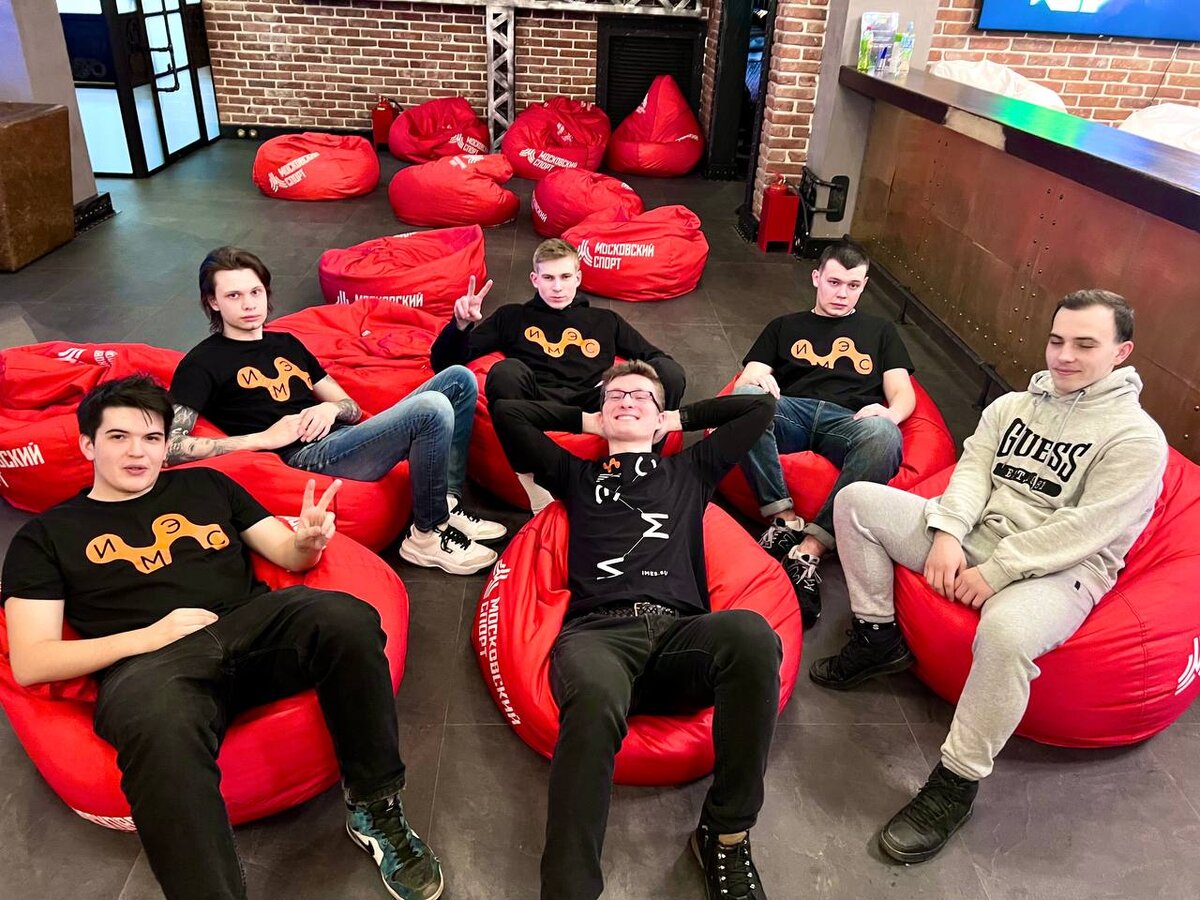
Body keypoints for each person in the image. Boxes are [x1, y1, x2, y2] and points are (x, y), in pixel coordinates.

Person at [0, 375, 444, 900]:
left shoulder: (208, 486)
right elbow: (32, 660)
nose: (138, 452)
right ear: (87, 445)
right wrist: (147, 637)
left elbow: (289, 556)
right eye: (119, 437)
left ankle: (375, 809)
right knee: (159, 725)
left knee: (347, 618)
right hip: (149, 667)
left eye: (152, 438)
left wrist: (309, 542)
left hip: (251, 626)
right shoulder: (45, 537)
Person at [809, 290, 1167, 863]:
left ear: (1121, 352)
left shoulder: (1136, 438)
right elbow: (973, 470)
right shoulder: (1014, 405)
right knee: (856, 502)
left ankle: (956, 781)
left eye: (1085, 345)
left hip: (1063, 567)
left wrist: (999, 571)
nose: (1064, 356)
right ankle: (877, 638)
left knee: (1005, 634)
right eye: (1057, 340)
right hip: (976, 534)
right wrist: (948, 533)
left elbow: (1086, 529)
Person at [492, 361, 782, 900]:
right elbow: (508, 413)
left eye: (641, 396)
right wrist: (590, 420)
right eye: (616, 395)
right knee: (595, 694)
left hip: (681, 638)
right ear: (601, 412)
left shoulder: (691, 470)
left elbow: (760, 407)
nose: (627, 400)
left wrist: (678, 418)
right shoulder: (575, 475)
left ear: (660, 415)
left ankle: (724, 835)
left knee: (754, 636)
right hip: (598, 635)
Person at [168, 246, 502, 576]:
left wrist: (329, 408)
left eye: (255, 292)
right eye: (234, 295)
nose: (249, 304)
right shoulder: (202, 363)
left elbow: (351, 408)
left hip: (341, 436)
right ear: (213, 302)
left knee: (459, 379)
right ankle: (427, 533)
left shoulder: (286, 344)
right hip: (304, 455)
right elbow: (169, 446)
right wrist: (264, 439)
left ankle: (446, 502)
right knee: (431, 407)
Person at [732, 238, 915, 626]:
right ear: (816, 277)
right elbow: (750, 376)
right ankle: (783, 518)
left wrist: (889, 413)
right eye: (834, 282)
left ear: (864, 286)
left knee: (885, 436)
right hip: (791, 410)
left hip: (847, 421)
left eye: (853, 285)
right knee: (742, 401)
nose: (842, 294)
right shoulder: (784, 326)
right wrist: (755, 381)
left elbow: (903, 393)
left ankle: (811, 549)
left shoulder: (881, 331)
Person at [430, 238, 685, 512]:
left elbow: (658, 359)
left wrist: (620, 384)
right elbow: (445, 364)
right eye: (548, 278)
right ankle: (535, 488)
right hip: (535, 403)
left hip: (594, 400)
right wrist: (460, 325)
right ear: (534, 279)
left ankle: (640, 468)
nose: (558, 287)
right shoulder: (512, 316)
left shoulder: (605, 320)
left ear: (578, 278)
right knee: (505, 371)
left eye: (565, 277)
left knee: (669, 373)